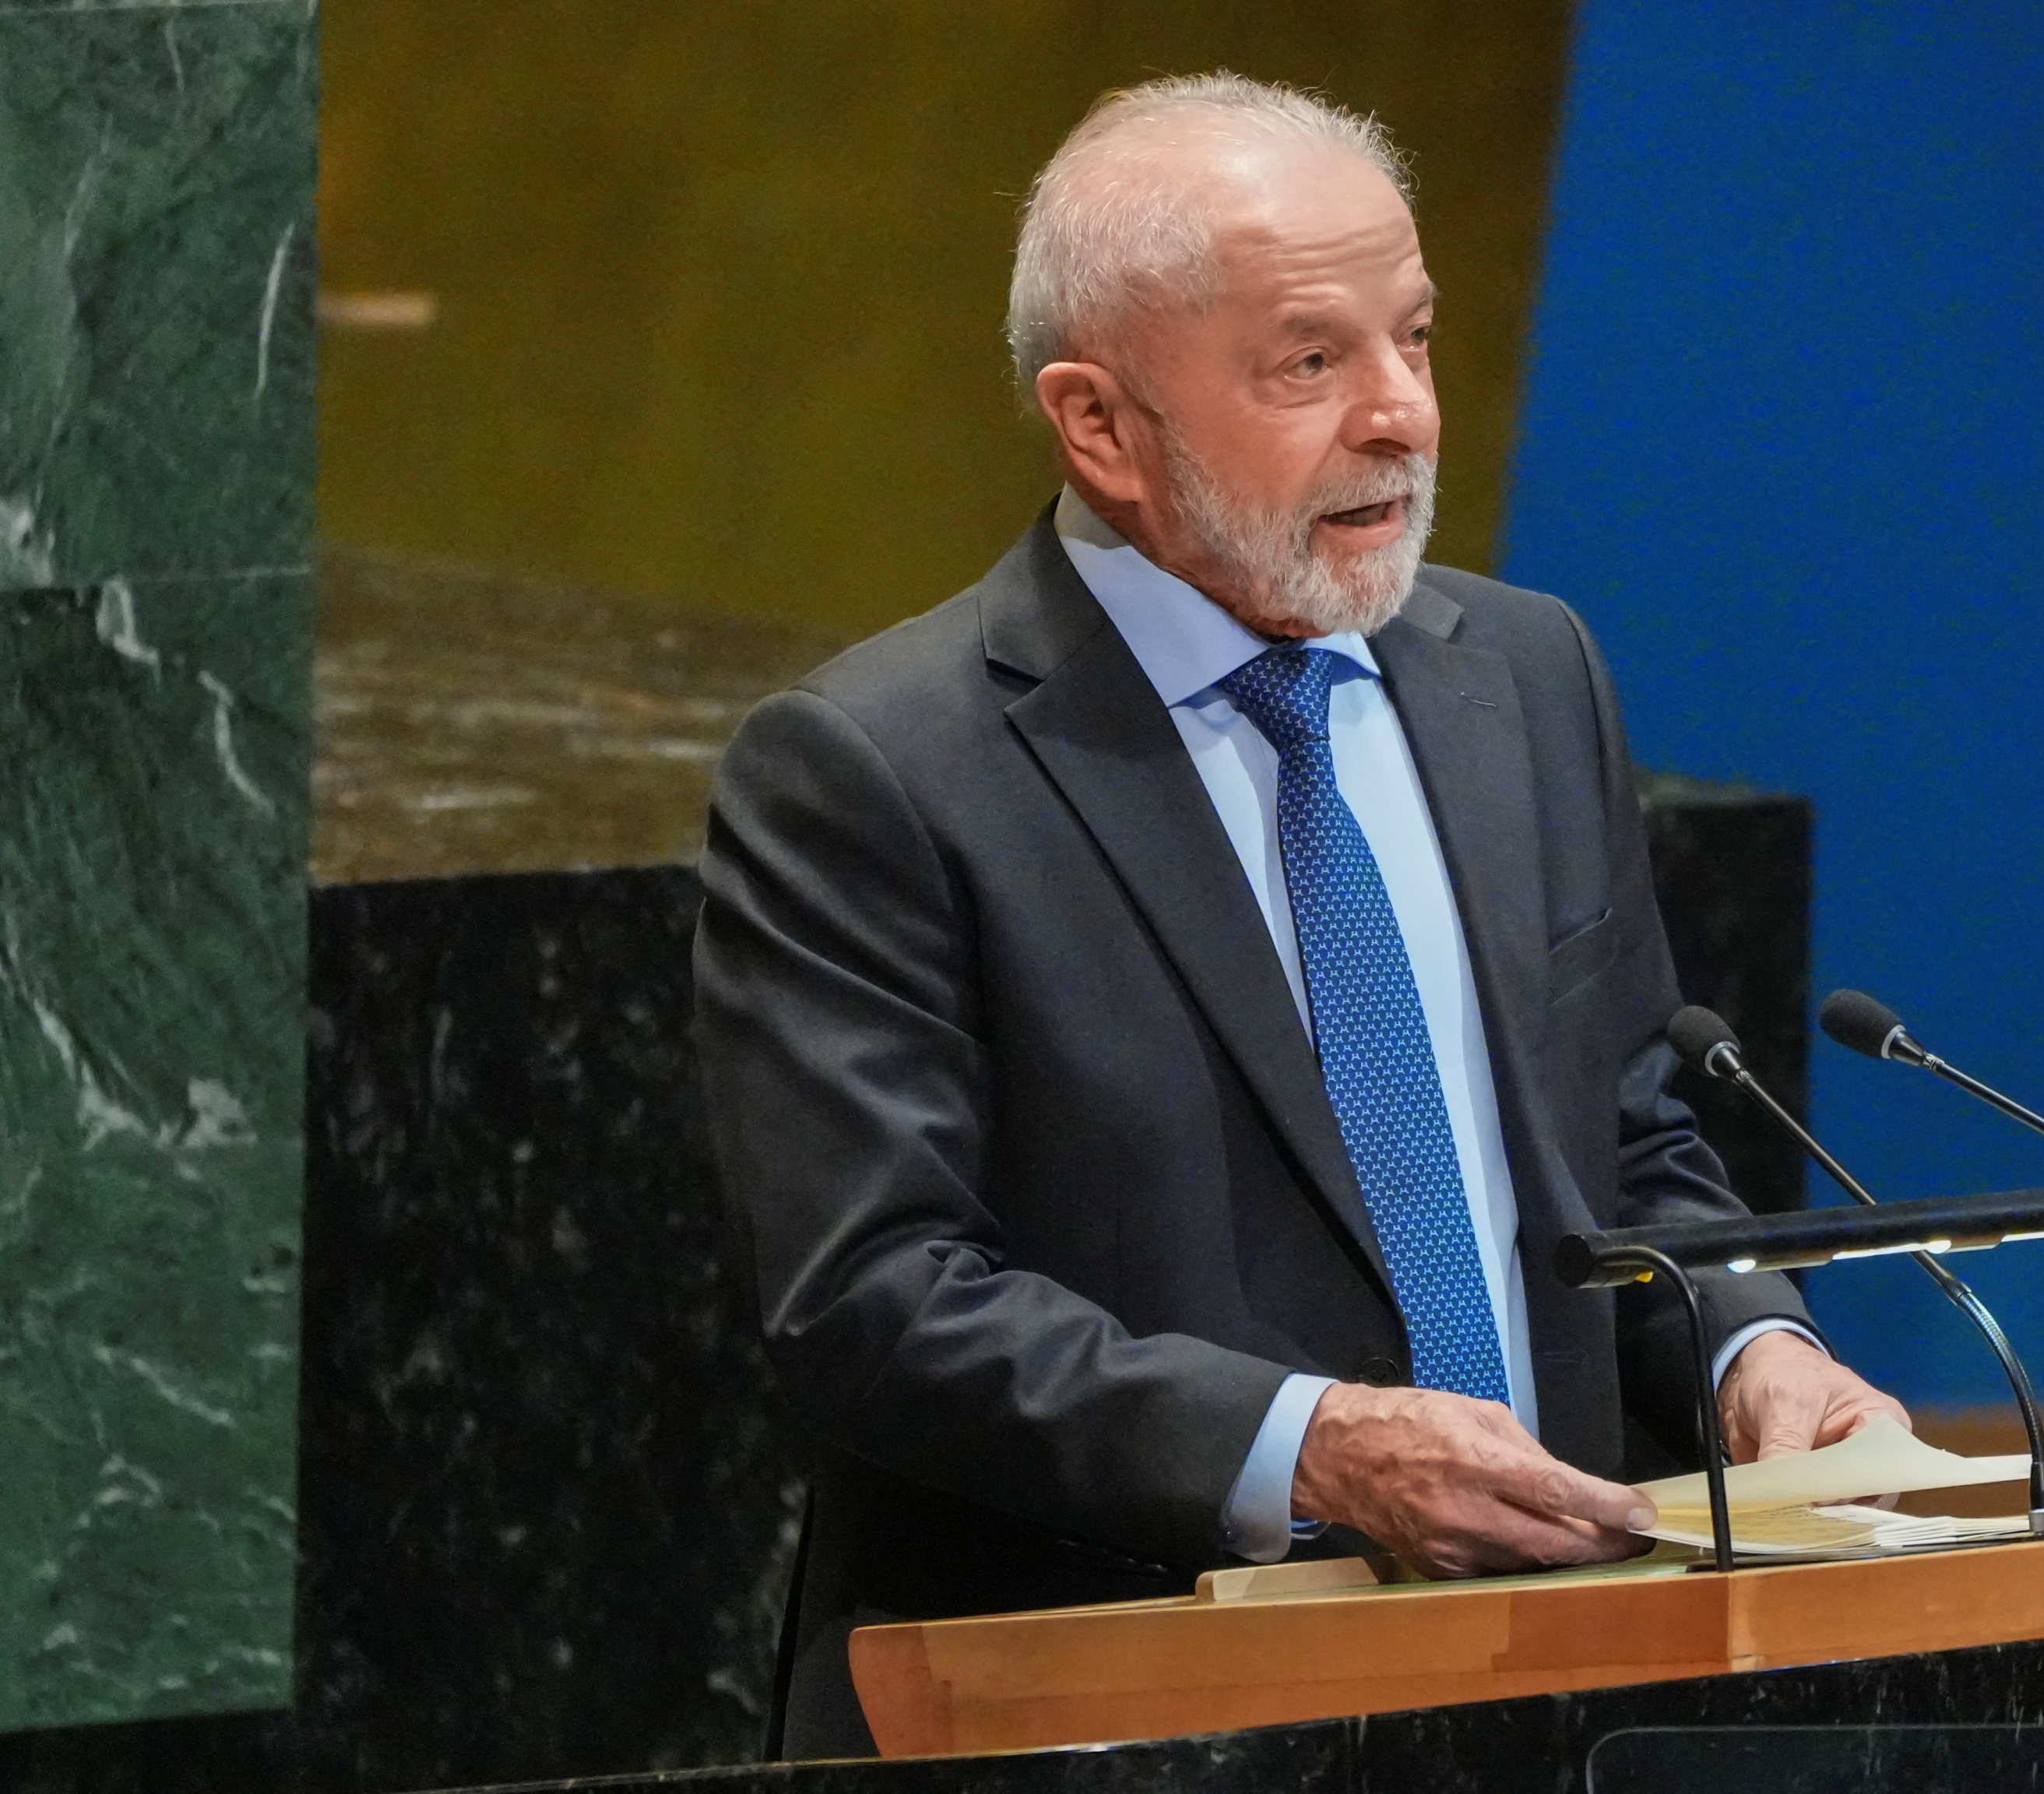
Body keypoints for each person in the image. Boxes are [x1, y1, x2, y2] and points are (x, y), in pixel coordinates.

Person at [694, 72, 1911, 1757]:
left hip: (1549, 1688)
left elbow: (1625, 1146)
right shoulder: (876, 771)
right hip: (1109, 1714)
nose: (1402, 414)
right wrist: (1313, 1448)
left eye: (1414, 337)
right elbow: (876, 1300)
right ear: (1099, 425)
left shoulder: (1525, 674)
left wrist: (1745, 1350)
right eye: (1309, 364)